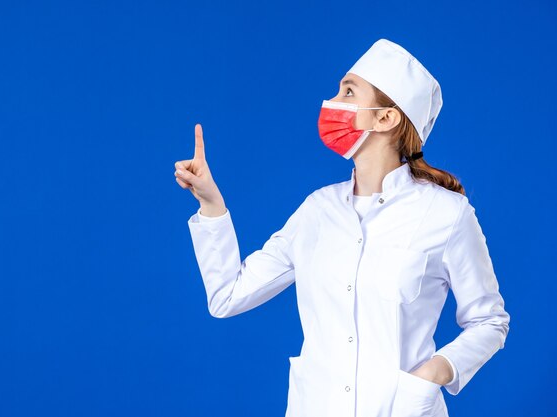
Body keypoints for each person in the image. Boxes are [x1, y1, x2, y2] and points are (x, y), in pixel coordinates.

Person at [174, 39, 510, 417]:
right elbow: (227, 297)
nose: (332, 102)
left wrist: (433, 373)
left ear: (385, 118)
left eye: (348, 91)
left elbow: (489, 321)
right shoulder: (318, 210)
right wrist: (211, 203)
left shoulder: (447, 214)